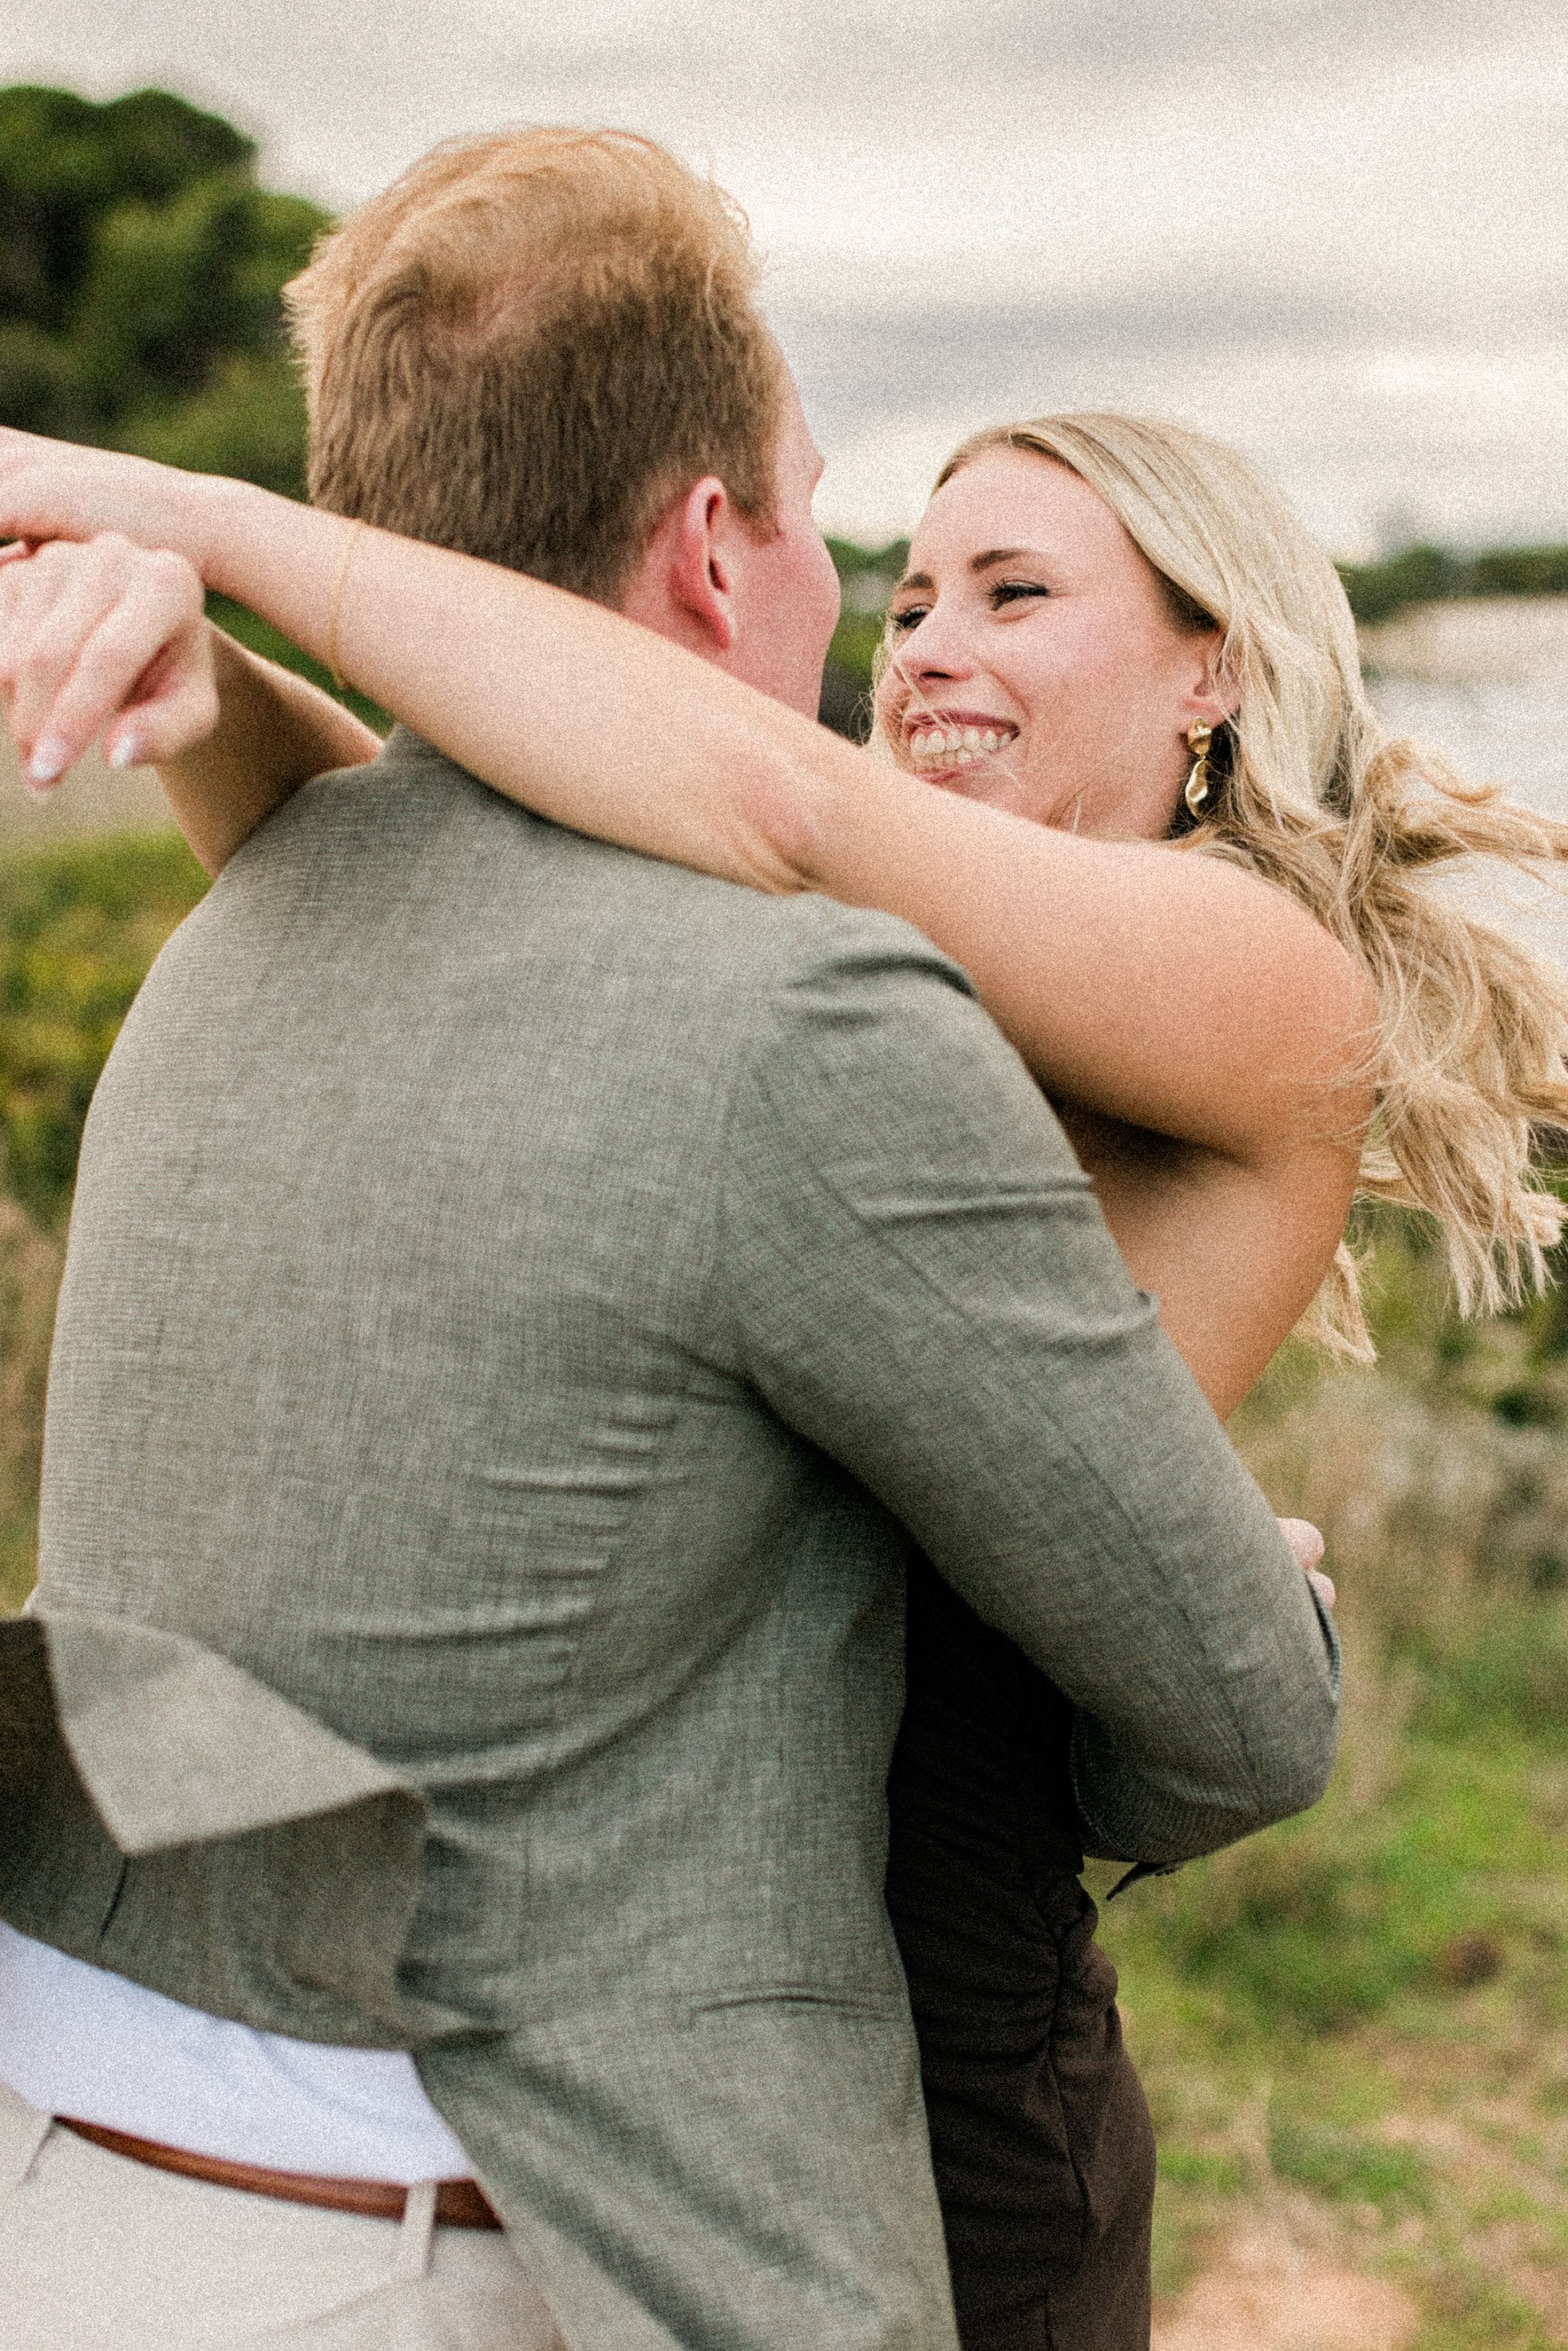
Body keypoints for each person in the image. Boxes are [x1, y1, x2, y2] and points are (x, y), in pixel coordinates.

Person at [0, 131, 1347, 2351]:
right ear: (717, 549)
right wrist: (210, 646)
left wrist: (203, 538)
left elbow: (711, 809)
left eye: (1016, 591)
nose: (911, 638)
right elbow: (1223, 1715)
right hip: (532, 2189)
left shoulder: (267, 924)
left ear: (1220, 669)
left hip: (99, 2141)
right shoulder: (800, 998)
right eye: (887, 569)